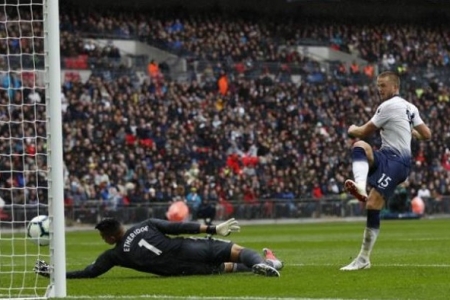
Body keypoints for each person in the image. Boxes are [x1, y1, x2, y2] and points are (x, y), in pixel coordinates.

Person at [341, 71, 431, 271]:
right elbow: (427, 134)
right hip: (386, 156)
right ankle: (361, 186)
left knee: (372, 202)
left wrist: (351, 128)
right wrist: (411, 131)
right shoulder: (410, 107)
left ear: (394, 87)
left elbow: (364, 130)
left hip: (397, 162)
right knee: (361, 147)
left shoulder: (389, 105)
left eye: (382, 85)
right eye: (378, 85)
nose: (379, 89)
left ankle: (363, 259)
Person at [34, 218, 283, 278]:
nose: (103, 241)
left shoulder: (115, 255)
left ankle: (264, 264)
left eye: (103, 236)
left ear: (110, 236)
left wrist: (55, 273)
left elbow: (90, 272)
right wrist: (212, 228)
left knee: (225, 267)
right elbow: (179, 227)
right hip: (188, 249)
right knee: (238, 250)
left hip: (181, 271)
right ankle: (266, 262)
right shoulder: (147, 224)